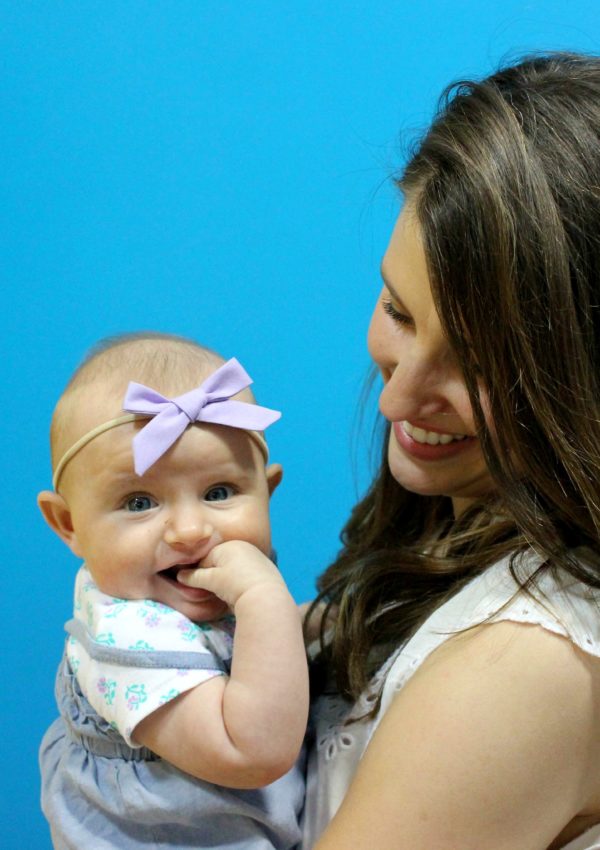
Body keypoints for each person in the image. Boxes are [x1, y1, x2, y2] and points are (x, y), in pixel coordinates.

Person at [302, 52, 600, 850]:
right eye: (399, 311)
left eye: (478, 363)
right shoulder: (463, 528)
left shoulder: (523, 665)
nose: (398, 400)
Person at [37, 333, 308, 850]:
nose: (189, 530)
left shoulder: (192, 593)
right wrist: (266, 602)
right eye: (139, 502)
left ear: (267, 493)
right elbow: (254, 752)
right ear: (69, 524)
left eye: (219, 493)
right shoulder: (126, 638)